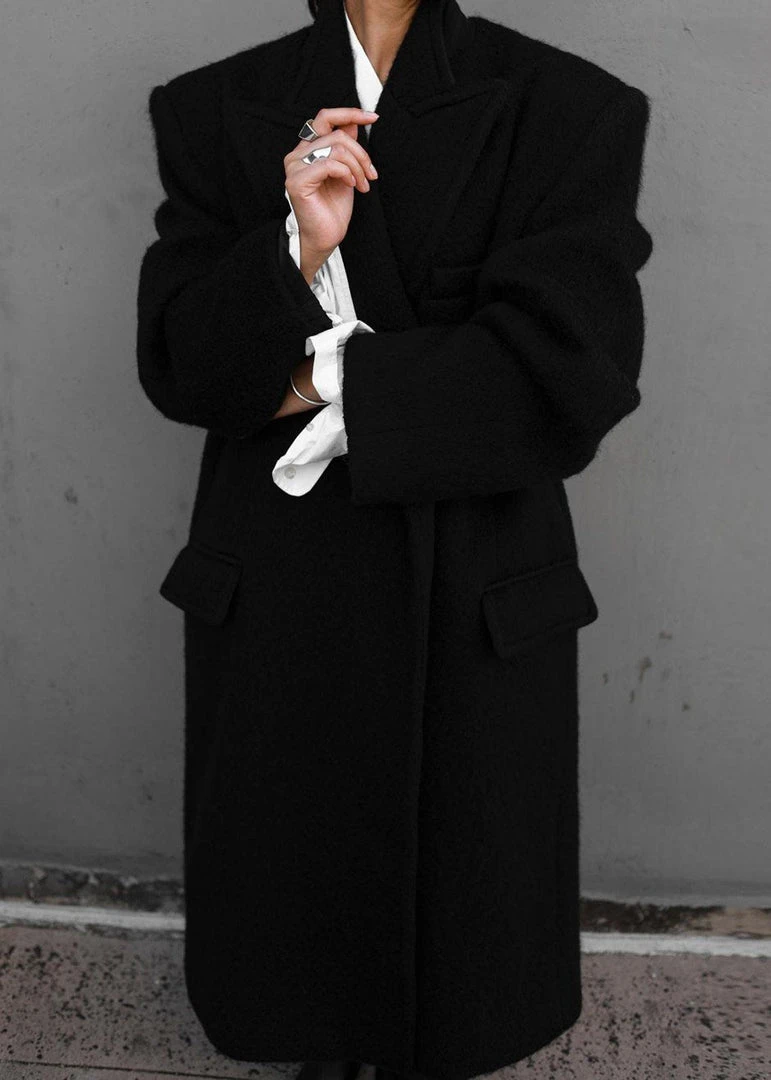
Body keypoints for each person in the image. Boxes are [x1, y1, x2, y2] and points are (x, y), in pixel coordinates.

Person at [135, 1, 654, 1078]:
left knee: (461, 930)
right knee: (296, 917)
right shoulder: (211, 108)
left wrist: (322, 381)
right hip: (277, 583)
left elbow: (569, 371)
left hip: (475, 584)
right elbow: (184, 365)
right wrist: (295, 244)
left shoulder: (572, 107)